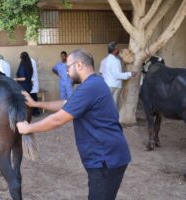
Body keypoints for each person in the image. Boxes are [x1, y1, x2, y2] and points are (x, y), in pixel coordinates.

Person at [17, 49, 131, 200]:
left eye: (68, 67)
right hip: (106, 156)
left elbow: (58, 119)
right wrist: (36, 103)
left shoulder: (90, 87)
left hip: (106, 159)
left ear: (79, 65)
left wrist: (28, 128)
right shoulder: (92, 83)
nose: (66, 72)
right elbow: (65, 104)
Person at [99, 41, 137, 106]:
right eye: (118, 48)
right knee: (113, 105)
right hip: (114, 86)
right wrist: (130, 74)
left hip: (106, 85)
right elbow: (118, 75)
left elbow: (101, 72)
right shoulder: (116, 61)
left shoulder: (104, 60)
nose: (119, 50)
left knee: (105, 104)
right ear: (115, 49)